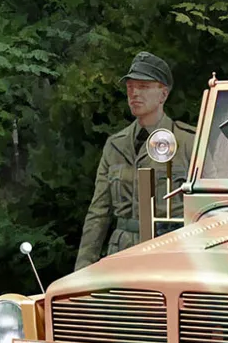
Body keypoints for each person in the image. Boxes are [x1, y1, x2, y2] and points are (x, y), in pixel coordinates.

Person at [75, 51, 196, 269]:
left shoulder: (189, 143)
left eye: (143, 86)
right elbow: (99, 213)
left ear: (163, 94)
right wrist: (83, 270)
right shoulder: (116, 146)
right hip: (122, 254)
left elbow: (211, 210)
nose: (134, 93)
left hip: (170, 253)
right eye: (130, 87)